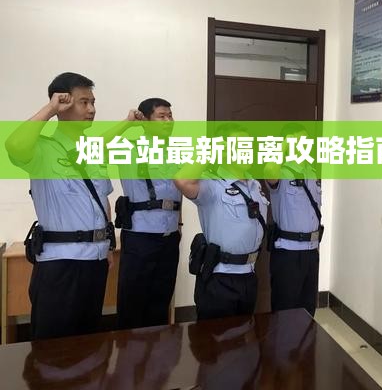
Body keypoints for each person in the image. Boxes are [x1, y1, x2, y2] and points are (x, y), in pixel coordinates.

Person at [5, 72, 115, 340]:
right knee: (54, 347)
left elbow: (103, 199)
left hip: (96, 261)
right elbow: (13, 145)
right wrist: (50, 109)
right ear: (63, 104)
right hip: (60, 264)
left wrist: (108, 243)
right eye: (83, 102)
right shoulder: (42, 149)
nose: (91, 110)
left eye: (93, 102)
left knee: (89, 341)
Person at [175, 124, 269, 320]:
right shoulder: (212, 185)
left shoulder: (254, 184)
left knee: (245, 334)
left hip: (249, 274)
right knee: (214, 337)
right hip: (220, 277)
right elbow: (182, 180)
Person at [115, 98, 182, 329]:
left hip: (169, 238)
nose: (168, 121)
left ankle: (158, 350)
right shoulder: (128, 149)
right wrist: (128, 122)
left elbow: (181, 193)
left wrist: (178, 227)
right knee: (132, 303)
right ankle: (129, 350)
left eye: (170, 116)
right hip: (140, 238)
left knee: (160, 301)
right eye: (161, 116)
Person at [265, 123, 323, 317]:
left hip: (311, 252)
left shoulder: (311, 172)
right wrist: (284, 144)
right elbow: (269, 169)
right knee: (285, 309)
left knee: (308, 308)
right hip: (288, 254)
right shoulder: (280, 172)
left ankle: (306, 338)